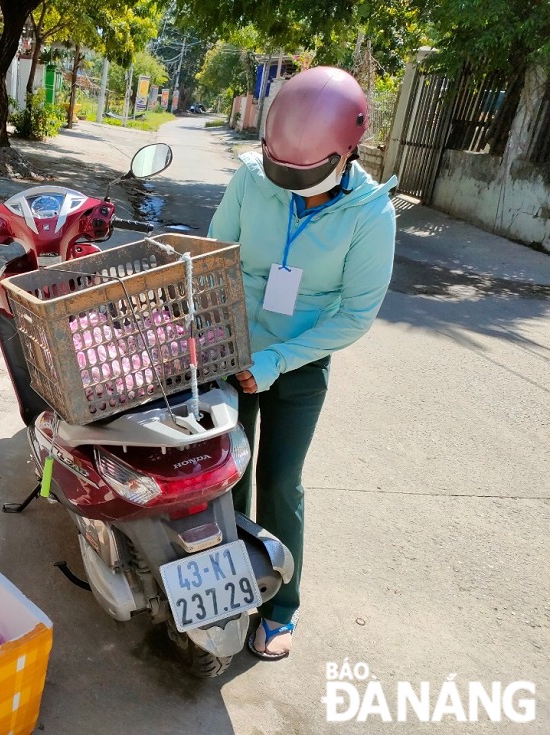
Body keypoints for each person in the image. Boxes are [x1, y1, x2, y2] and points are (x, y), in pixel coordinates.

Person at [208, 66, 397, 660]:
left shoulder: (370, 215)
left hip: (299, 363)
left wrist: (277, 360)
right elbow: (216, 257)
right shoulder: (248, 178)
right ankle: (233, 592)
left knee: (280, 482)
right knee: (225, 478)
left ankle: (280, 606)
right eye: (281, 174)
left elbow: (355, 316)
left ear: (349, 151)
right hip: (231, 349)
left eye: (308, 178)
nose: (293, 189)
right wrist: (220, 340)